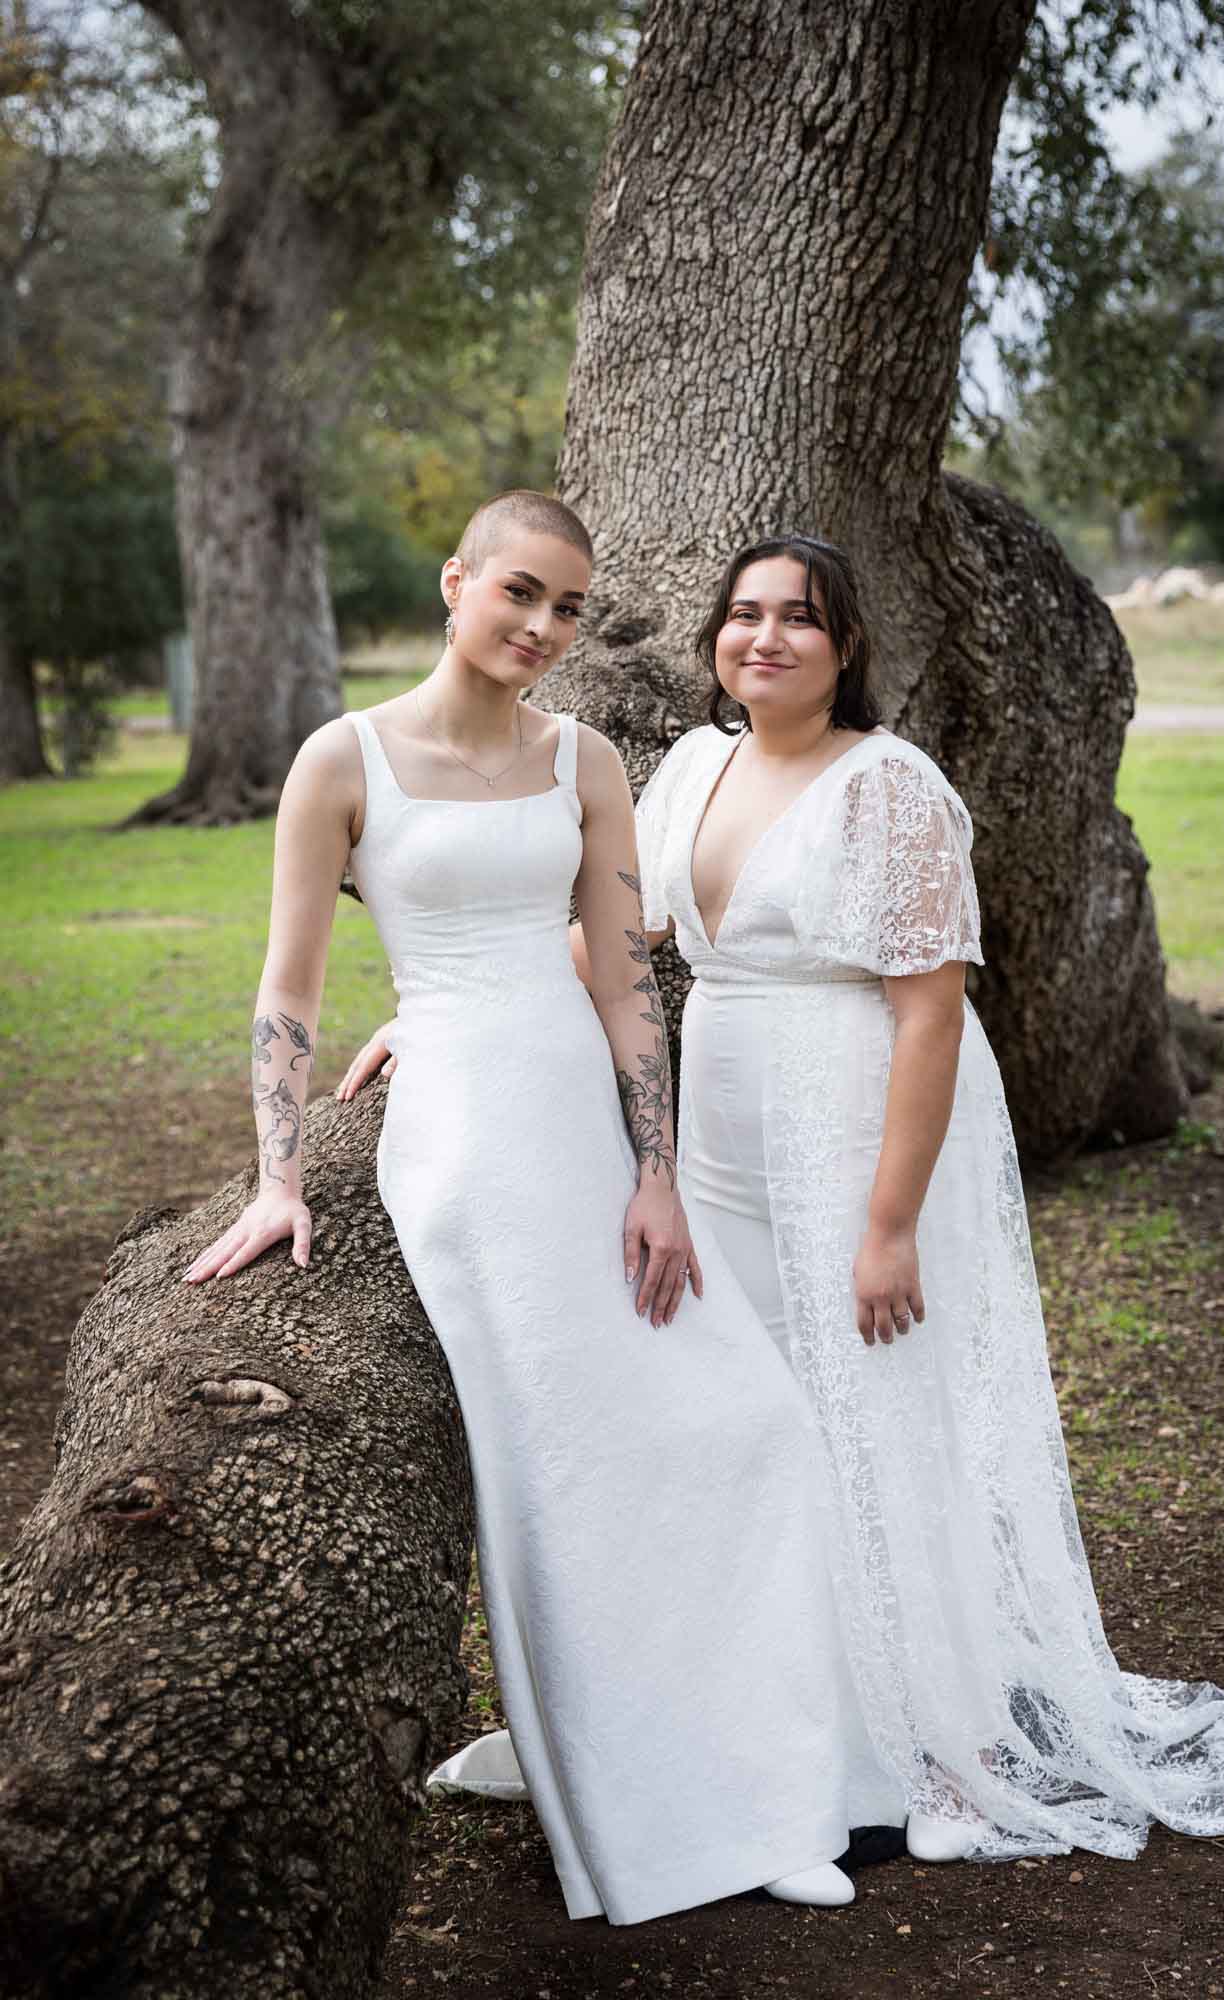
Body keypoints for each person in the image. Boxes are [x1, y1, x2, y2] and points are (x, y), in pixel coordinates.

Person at [342, 531, 1224, 1866]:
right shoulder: (692, 769)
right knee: (738, 1420)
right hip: (726, 1129)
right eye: (742, 616)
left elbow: (928, 1019)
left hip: (858, 1117)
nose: (765, 638)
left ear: (845, 647)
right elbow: (618, 942)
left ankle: (924, 1737)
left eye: (798, 619)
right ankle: (736, 1715)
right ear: (715, 642)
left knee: (872, 1411)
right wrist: (442, 1013)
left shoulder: (892, 790)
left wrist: (887, 1225)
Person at [183, 493, 878, 1926]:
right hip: (464, 1144)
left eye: (566, 608)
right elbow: (290, 990)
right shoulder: (344, 758)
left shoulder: (585, 759)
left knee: (740, 1424)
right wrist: (276, 1175)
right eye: (519, 594)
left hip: (578, 1110)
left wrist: (656, 1174)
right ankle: (652, 1817)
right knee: (559, 1468)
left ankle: (769, 1784)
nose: (541, 630)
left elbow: (625, 981)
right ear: (456, 583)